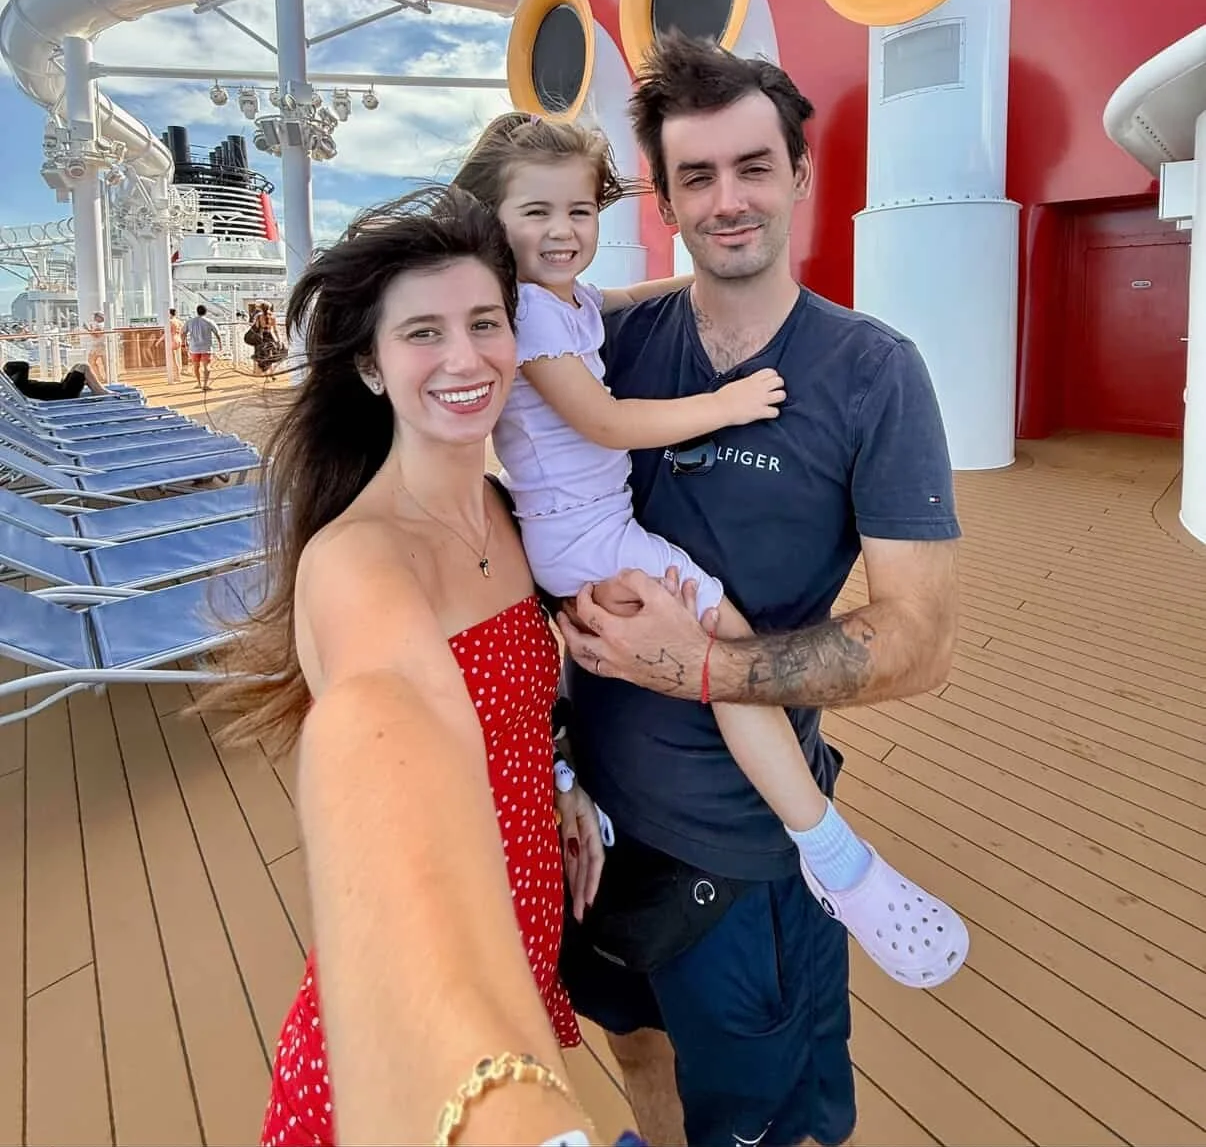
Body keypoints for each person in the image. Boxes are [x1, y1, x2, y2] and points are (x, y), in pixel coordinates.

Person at [540, 34, 962, 1147]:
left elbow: (919, 639)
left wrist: (699, 666)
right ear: (668, 199)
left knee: (772, 1123)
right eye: (697, 176)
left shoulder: (872, 373)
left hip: (746, 859)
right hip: (593, 833)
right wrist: (558, 762)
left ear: (800, 174)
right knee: (633, 1046)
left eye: (753, 166)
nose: (729, 200)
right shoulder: (608, 346)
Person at [454, 114, 964, 985]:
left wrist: (692, 274)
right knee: (720, 638)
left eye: (580, 211)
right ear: (490, 220)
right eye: (535, 212)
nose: (563, 232)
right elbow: (607, 421)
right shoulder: (526, 317)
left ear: (799, 175)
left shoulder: (567, 302)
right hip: (588, 536)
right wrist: (727, 404)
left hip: (594, 533)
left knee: (715, 644)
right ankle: (831, 851)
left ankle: (814, 844)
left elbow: (613, 301)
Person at [204, 188, 605, 1147]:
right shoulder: (357, 562)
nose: (465, 358)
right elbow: (395, 710)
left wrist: (559, 779)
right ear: (373, 369)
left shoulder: (510, 517)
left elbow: (509, 703)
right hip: (415, 991)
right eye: (423, 332)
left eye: (485, 323)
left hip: (528, 922)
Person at [298, 663, 648, 1147]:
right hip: (439, 968)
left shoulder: (504, 579)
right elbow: (365, 713)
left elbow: (514, 699)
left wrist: (561, 775)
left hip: (531, 932)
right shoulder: (360, 591)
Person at [4, 358, 111, 401]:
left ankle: (98, 389)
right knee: (84, 366)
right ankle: (100, 392)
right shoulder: (21, 385)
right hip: (65, 394)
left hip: (61, 388)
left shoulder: (18, 385)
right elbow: (24, 365)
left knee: (77, 366)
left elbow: (23, 367)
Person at [185, 303, 222, 390]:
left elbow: (183, 333)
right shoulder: (209, 321)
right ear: (205, 312)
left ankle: (198, 383)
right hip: (206, 348)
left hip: (194, 348)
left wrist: (185, 342)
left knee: (196, 366)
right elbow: (217, 333)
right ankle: (205, 384)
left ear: (197, 312)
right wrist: (220, 344)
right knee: (206, 366)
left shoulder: (190, 321)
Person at [168, 307, 186, 376]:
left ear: (170, 313)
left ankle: (177, 375)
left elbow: (167, 333)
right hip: (179, 339)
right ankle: (179, 373)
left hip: (173, 340)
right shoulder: (179, 321)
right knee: (178, 358)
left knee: (174, 359)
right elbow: (183, 332)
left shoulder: (170, 321)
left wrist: (159, 341)